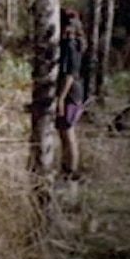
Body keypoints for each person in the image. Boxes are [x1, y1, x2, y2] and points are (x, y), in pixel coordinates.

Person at [56, 9, 85, 182]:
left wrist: (61, 98)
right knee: (63, 133)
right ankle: (66, 167)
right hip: (70, 93)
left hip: (71, 94)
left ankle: (71, 171)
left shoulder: (70, 45)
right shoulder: (68, 44)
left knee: (68, 133)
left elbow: (69, 75)